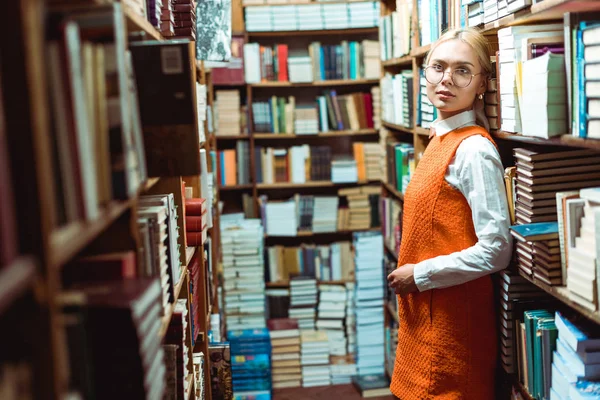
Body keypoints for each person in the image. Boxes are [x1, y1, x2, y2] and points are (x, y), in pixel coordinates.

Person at [386, 27, 512, 399]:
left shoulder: (474, 150)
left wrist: (419, 275)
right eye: (437, 67)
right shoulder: (439, 138)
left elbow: (497, 248)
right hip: (425, 319)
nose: (446, 80)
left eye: (462, 71)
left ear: (482, 85)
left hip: (453, 324)